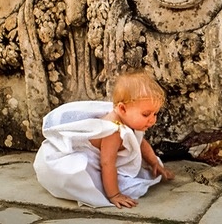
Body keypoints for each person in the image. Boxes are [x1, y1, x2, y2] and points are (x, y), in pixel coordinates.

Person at [34, 71, 174, 208]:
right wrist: (114, 195)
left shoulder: (129, 121)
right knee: (91, 181)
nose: (152, 120)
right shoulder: (112, 131)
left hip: (105, 160)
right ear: (122, 109)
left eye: (155, 113)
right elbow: (107, 164)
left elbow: (140, 143)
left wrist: (154, 162)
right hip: (88, 161)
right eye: (146, 114)